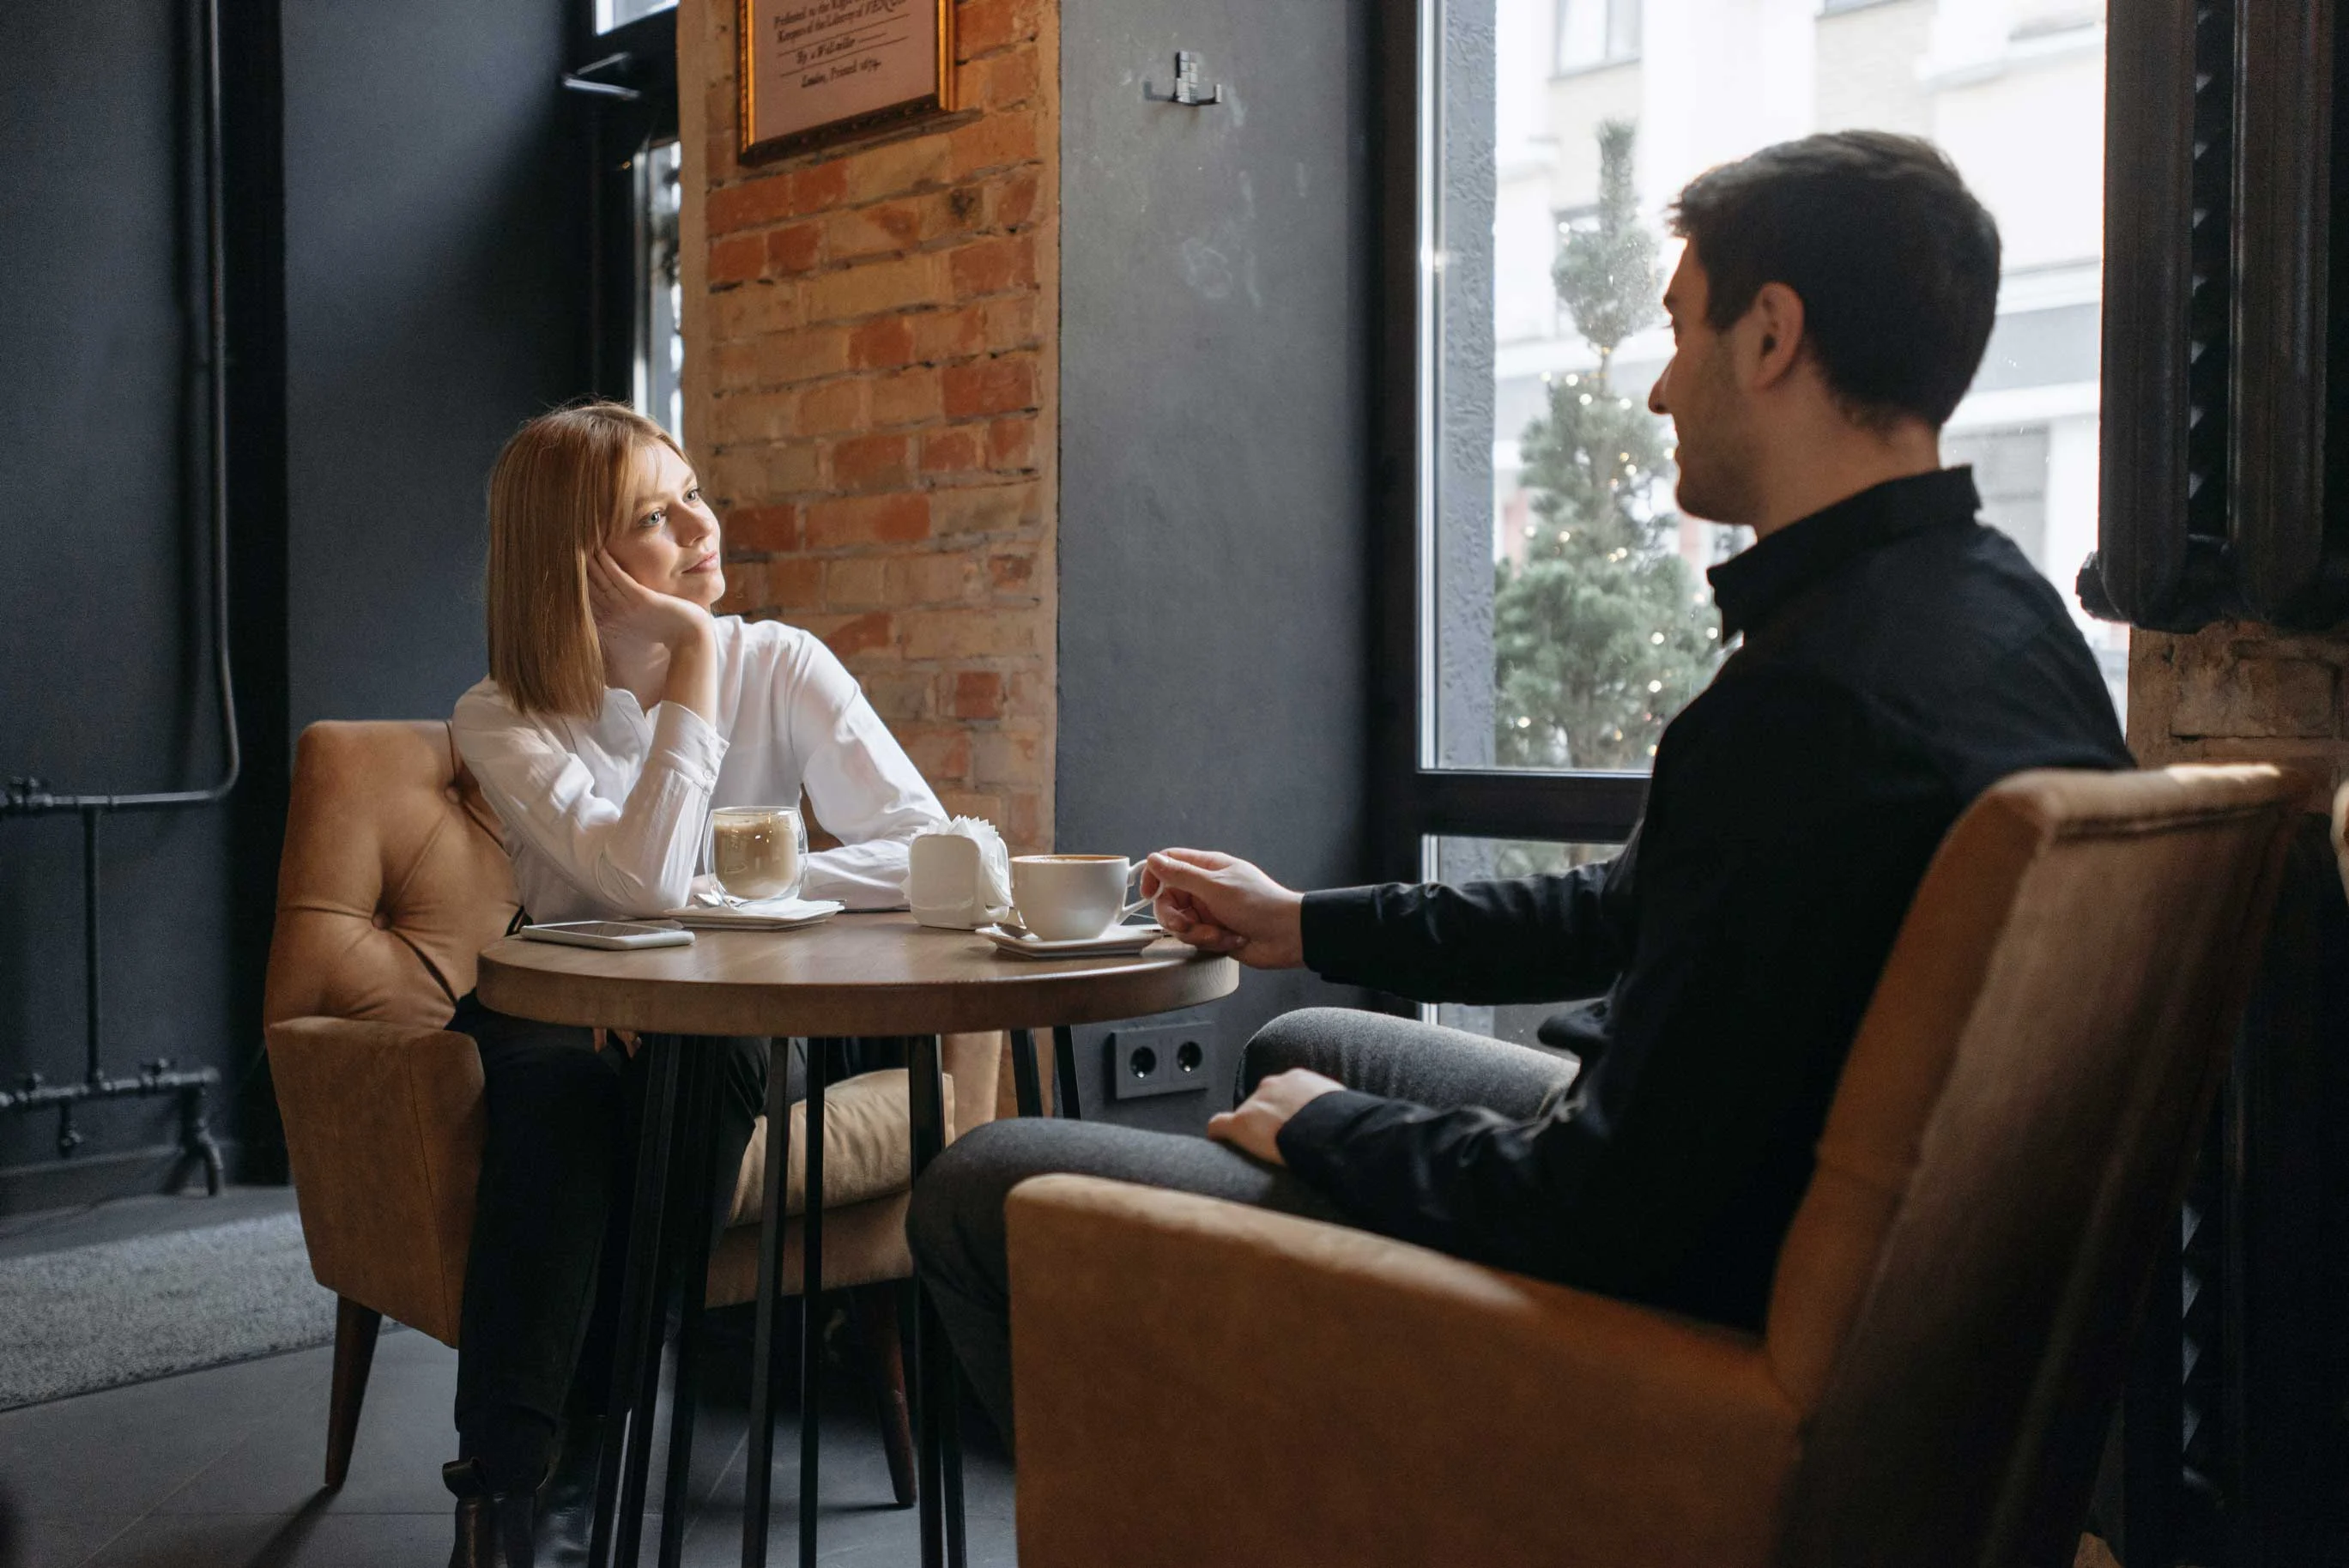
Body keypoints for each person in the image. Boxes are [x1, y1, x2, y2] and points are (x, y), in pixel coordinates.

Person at [907, 130, 2134, 1449]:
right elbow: (1623, 911)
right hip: (1837, 1271)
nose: (1661, 389)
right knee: (1291, 1044)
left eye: (1680, 328)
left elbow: (1607, 1206)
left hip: (1661, 1323)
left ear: (1771, 335)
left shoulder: (1808, 705)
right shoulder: (2008, 621)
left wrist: (1339, 1137)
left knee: (980, 1188)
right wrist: (1305, 924)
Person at [441, 402, 947, 1565]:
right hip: (553, 1000)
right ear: (579, 560)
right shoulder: (504, 715)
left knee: (707, 1057)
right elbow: (636, 881)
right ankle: (516, 1497)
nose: (701, 528)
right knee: (569, 1095)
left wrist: (744, 879)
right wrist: (696, 668)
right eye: (654, 517)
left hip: (718, 1012)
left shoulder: (781, 663)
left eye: (692, 495)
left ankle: (563, 1469)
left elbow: (920, 843)